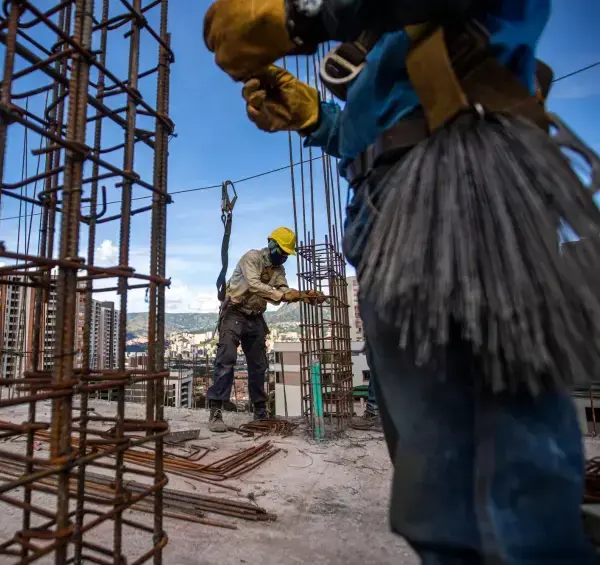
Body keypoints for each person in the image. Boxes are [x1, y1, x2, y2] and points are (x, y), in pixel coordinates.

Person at [204, 0, 598, 562]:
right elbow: (382, 119)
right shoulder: (391, 34)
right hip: (384, 205)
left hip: (457, 179)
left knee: (502, 485)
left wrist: (306, 16)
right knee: (437, 486)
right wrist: (321, 120)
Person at [207, 227, 322, 432]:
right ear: (272, 245)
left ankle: (260, 411)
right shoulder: (251, 258)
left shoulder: (278, 270)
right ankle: (216, 409)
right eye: (282, 252)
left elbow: (282, 290)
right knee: (226, 359)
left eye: (287, 254)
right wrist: (284, 295)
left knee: (259, 365)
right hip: (234, 313)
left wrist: (303, 295)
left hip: (255, 316)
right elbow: (254, 285)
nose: (284, 257)